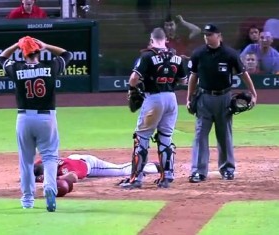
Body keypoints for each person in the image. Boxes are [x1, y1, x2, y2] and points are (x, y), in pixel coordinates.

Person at [0, 36, 72, 212]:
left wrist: (17, 44)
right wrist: (46, 45)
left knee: (26, 161)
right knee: (49, 157)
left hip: (24, 118)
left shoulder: (17, 69)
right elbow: (66, 54)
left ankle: (27, 200)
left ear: (23, 55)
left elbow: (2, 57)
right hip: (47, 118)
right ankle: (49, 189)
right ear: (38, 52)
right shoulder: (50, 67)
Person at [186, 23, 258, 183]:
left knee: (224, 135)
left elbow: (244, 74)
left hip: (224, 98)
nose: (207, 37)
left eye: (210, 34)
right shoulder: (198, 53)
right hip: (204, 98)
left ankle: (227, 169)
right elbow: (193, 76)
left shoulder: (229, 54)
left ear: (219, 36)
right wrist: (189, 97)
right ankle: (198, 171)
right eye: (205, 34)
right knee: (200, 135)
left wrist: (253, 92)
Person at [119, 27, 187, 189]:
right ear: (166, 40)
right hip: (171, 99)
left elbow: (134, 77)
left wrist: (132, 89)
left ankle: (136, 179)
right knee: (165, 138)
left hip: (154, 99)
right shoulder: (176, 57)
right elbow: (183, 81)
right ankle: (167, 177)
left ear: (151, 40)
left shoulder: (147, 56)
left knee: (141, 138)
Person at [34, 154, 160, 182]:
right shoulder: (44, 161)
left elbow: (73, 177)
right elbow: (32, 168)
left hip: (91, 164)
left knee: (120, 170)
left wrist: (52, 178)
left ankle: (153, 167)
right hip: (75, 157)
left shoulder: (68, 168)